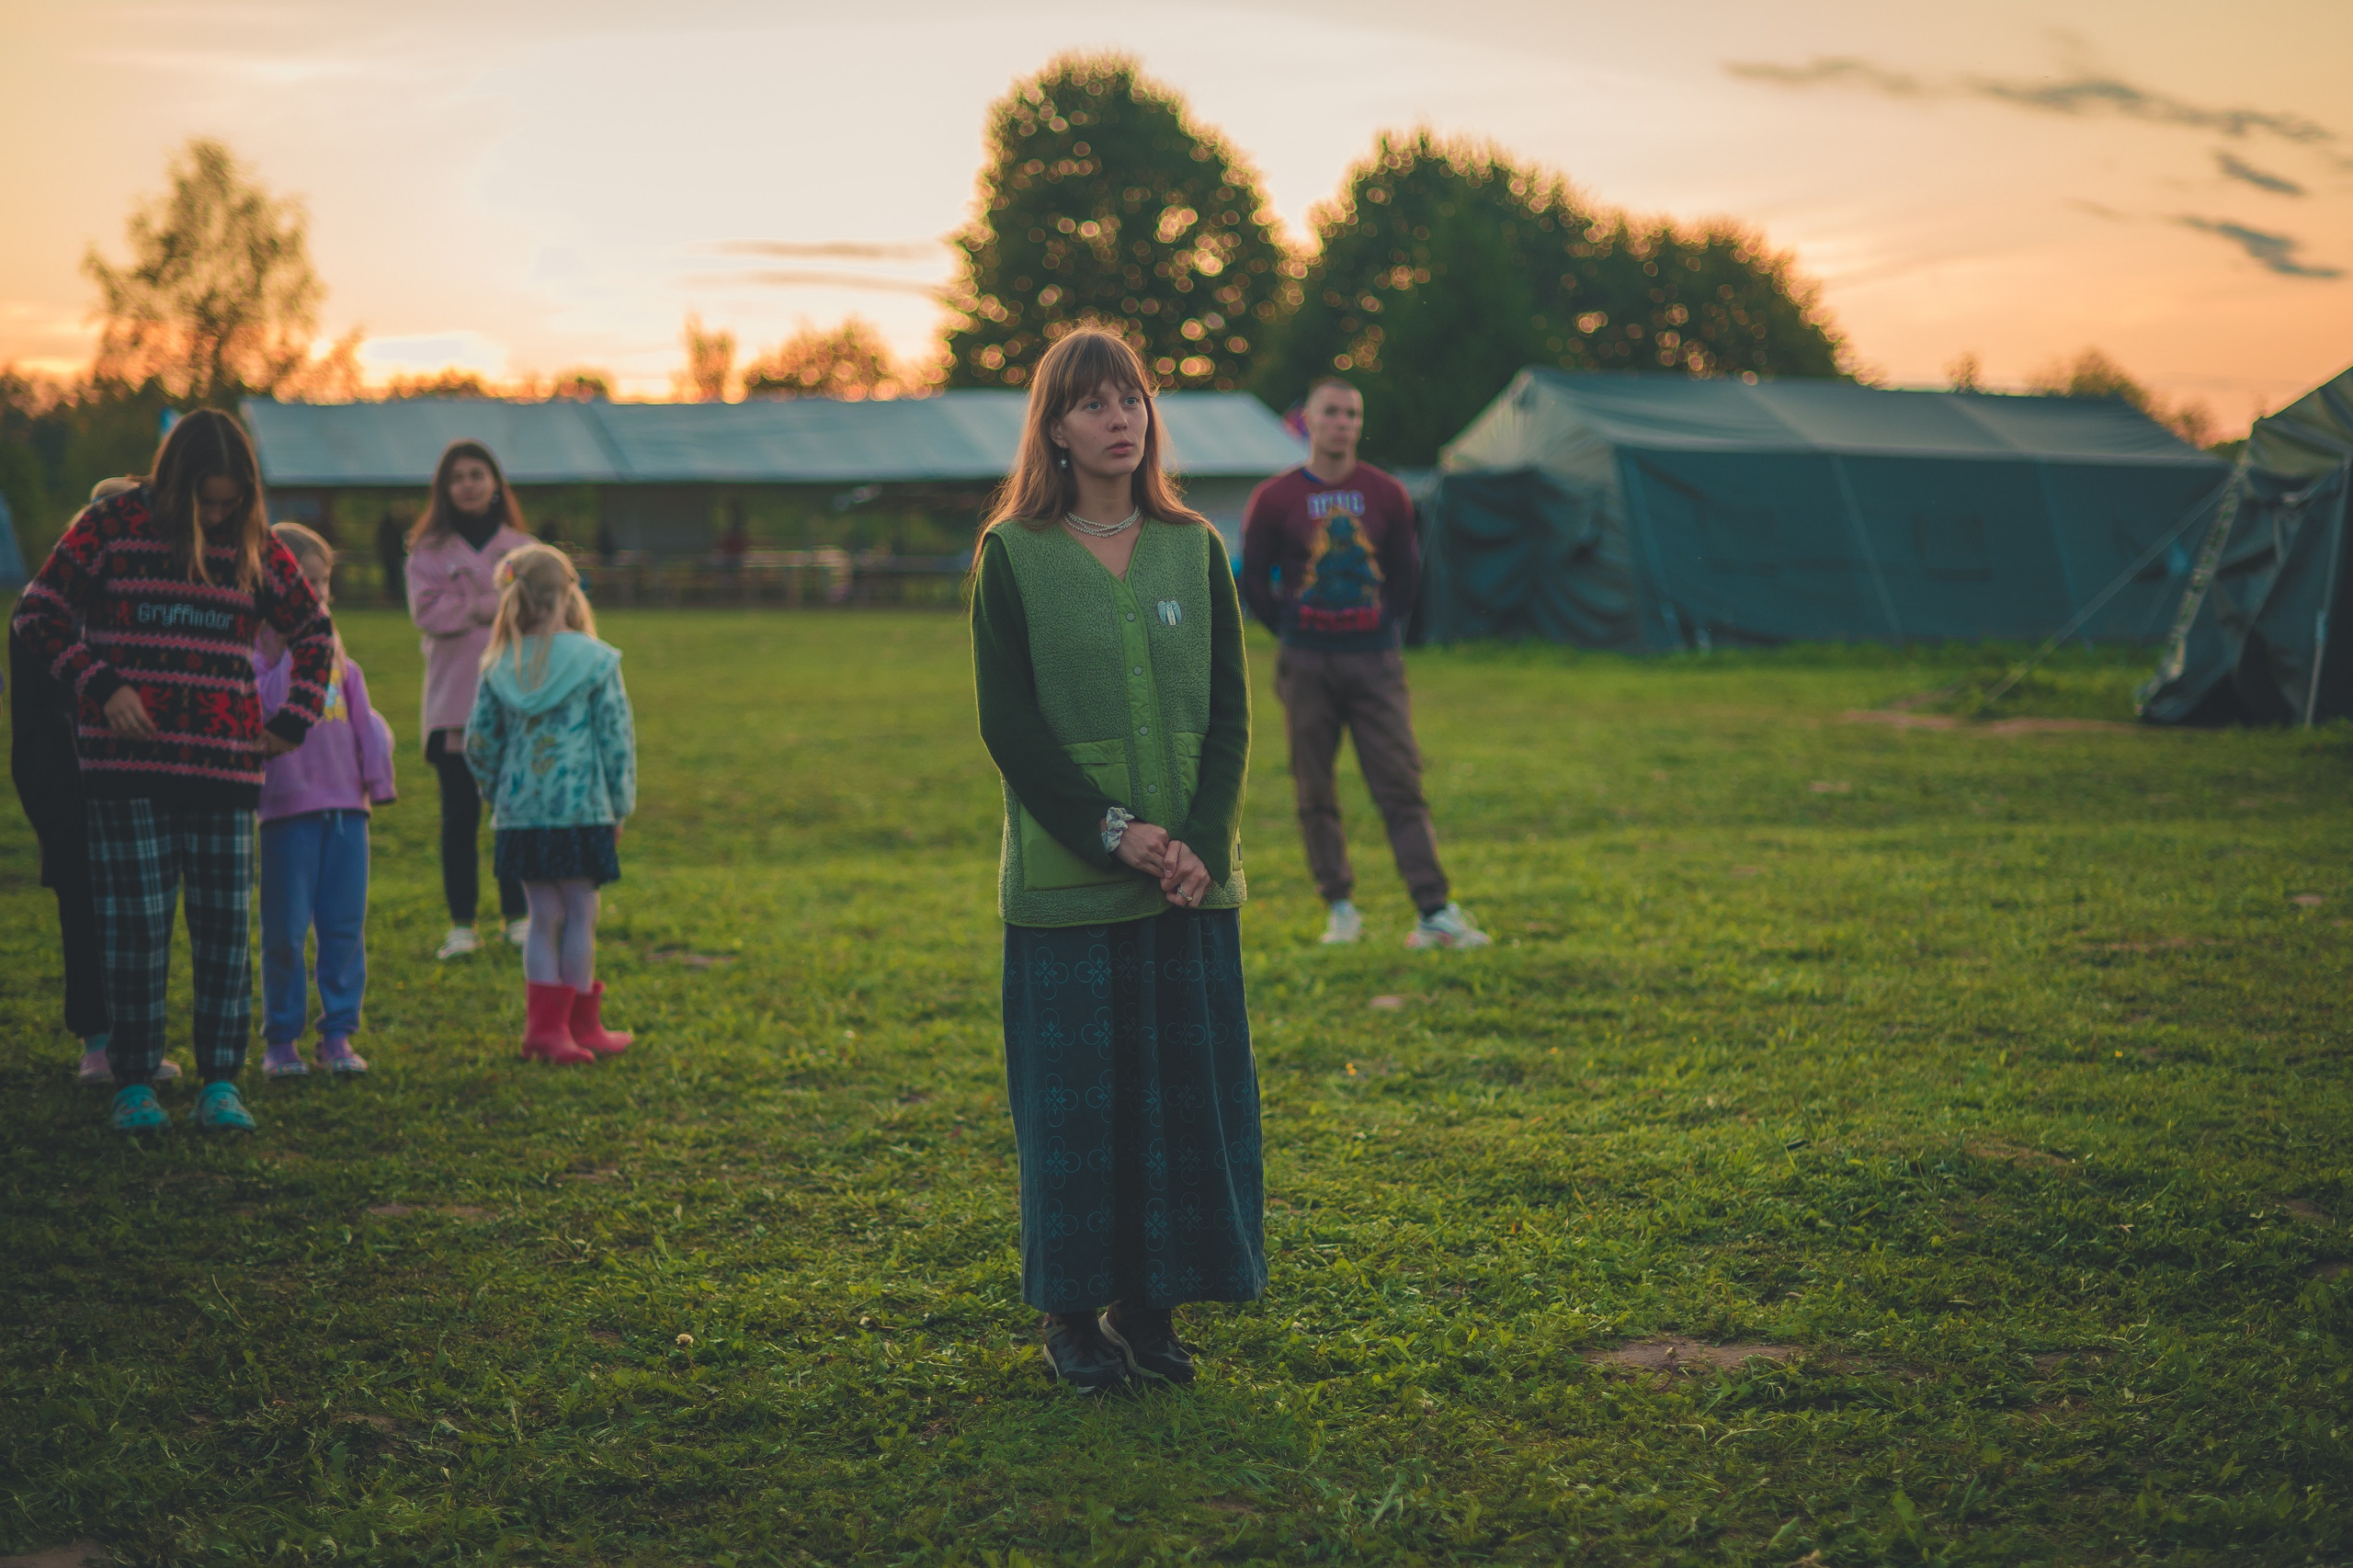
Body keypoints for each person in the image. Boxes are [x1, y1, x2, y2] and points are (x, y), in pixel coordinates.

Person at [971, 327, 1263, 1392]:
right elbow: (1011, 726)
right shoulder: (1013, 555)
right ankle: (1071, 1317)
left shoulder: (1195, 547)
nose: (1120, 418)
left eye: (1132, 398)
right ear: (1054, 427)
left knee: (1178, 1101)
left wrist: (1197, 843)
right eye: (1094, 404)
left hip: (1189, 886)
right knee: (1078, 1104)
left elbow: (1229, 714)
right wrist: (1113, 831)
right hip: (1068, 887)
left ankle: (1152, 1307)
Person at [11, 409, 335, 1135]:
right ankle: (134, 1080)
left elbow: (314, 631)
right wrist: (103, 685)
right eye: (205, 499)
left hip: (224, 768)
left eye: (228, 500)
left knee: (224, 926)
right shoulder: (110, 526)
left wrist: (291, 720)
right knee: (136, 925)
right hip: (123, 765)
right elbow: (37, 616)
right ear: (175, 481)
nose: (217, 513)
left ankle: (221, 1080)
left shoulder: (254, 541)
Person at [1240, 378, 1489, 949]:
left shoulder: (1386, 494)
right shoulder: (1275, 497)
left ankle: (1433, 911)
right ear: (1310, 419)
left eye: (1353, 414)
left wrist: (1377, 630)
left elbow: (1407, 577)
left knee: (1400, 783)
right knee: (1314, 789)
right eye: (1332, 412)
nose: (1343, 423)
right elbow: (1254, 579)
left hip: (1373, 661)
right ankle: (1341, 907)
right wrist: (1294, 629)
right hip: (1306, 662)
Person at [7, 478, 178, 1087]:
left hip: (137, 781)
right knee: (84, 913)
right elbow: (33, 724)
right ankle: (98, 1040)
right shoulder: (44, 617)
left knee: (142, 916)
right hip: (70, 785)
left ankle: (140, 1037)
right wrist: (55, 805)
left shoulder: (137, 606)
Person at [464, 543, 636, 1066]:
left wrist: (497, 791)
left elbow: (478, 742)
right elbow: (615, 737)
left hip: (521, 816)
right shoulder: (596, 661)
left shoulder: (499, 665)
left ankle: (546, 1029)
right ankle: (581, 1025)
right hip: (581, 811)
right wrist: (621, 804)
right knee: (581, 912)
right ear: (567, 596)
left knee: (543, 916)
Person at [254, 523, 397, 1078]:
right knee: (285, 933)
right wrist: (296, 648)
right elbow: (265, 707)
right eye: (303, 584)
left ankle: (338, 1034)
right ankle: (281, 1039)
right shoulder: (257, 656)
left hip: (347, 814)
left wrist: (377, 786)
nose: (317, 597)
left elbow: (365, 723)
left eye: (323, 584)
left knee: (343, 927)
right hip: (286, 813)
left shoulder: (345, 662)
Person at [406, 440, 532, 960]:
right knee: (459, 818)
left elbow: (535, 611)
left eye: (478, 474)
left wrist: (468, 604)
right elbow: (428, 614)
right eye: (458, 477)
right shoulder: (427, 553)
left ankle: (518, 915)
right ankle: (462, 923)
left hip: (514, 704)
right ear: (445, 488)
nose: (469, 484)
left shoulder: (522, 548)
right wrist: (489, 602)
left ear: (496, 483)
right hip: (453, 703)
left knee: (512, 812)